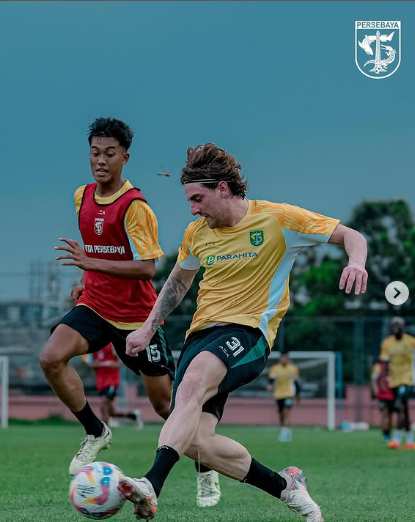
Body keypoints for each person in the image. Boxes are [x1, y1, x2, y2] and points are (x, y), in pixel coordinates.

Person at [118, 143, 368, 521]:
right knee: (195, 441)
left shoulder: (279, 218)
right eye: (189, 201)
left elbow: (352, 235)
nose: (193, 209)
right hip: (199, 337)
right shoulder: (196, 233)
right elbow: (178, 282)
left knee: (191, 387)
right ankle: (287, 487)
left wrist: (357, 262)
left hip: (249, 333)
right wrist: (148, 326)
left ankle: (152, 485)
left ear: (223, 188)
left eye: (197, 198)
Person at [39, 117, 220, 508]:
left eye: (109, 154)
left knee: (165, 408)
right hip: (95, 306)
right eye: (94, 153)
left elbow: (146, 267)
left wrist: (89, 263)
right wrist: (87, 283)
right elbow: (102, 254)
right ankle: (96, 430)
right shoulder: (81, 197)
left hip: (138, 320)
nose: (100, 161)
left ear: (125, 157)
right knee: (51, 357)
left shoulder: (135, 207)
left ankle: (206, 464)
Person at [82, 343, 143, 429]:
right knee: (111, 412)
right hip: (100, 382)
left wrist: (117, 364)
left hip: (112, 380)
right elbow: (88, 362)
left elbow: (124, 356)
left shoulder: (111, 344)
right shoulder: (93, 345)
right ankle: (134, 416)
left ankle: (104, 431)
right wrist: (94, 365)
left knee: (103, 405)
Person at [380, 317, 415, 450]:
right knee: (404, 410)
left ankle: (396, 439)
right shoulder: (386, 343)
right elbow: (385, 363)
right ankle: (410, 440)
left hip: (408, 378)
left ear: (403, 326)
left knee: (400, 405)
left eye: (398, 325)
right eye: (393, 325)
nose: (395, 327)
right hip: (393, 380)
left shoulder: (411, 341)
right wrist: (383, 380)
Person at [268, 352, 300, 442]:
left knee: (287, 413)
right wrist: (270, 386)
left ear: (288, 359)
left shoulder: (293, 369)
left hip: (289, 394)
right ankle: (285, 430)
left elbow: (297, 384)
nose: (284, 359)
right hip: (278, 394)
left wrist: (297, 396)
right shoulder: (275, 369)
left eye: (286, 358)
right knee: (281, 415)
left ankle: (285, 434)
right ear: (280, 359)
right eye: (283, 358)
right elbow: (271, 380)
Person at [370, 357, 394, 442]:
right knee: (384, 414)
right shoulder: (378, 367)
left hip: (393, 395)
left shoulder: (394, 366)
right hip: (383, 395)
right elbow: (373, 379)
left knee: (390, 415)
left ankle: (389, 433)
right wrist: (376, 391)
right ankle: (385, 434)